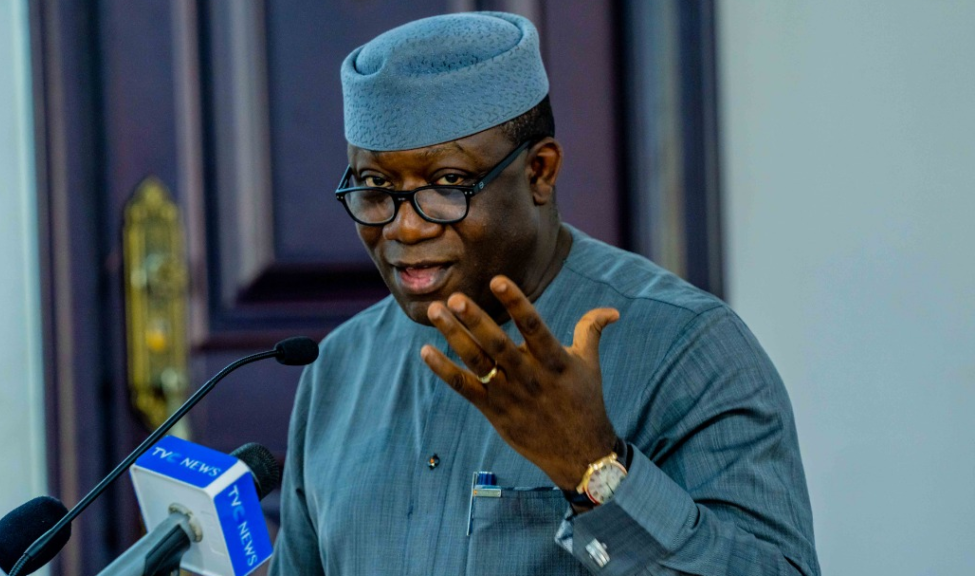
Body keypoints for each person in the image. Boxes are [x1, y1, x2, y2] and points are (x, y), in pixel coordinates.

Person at [270, 11, 820, 576]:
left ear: (539, 172)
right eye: (375, 186)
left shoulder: (688, 349)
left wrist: (592, 468)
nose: (405, 227)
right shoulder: (336, 370)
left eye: (449, 183)